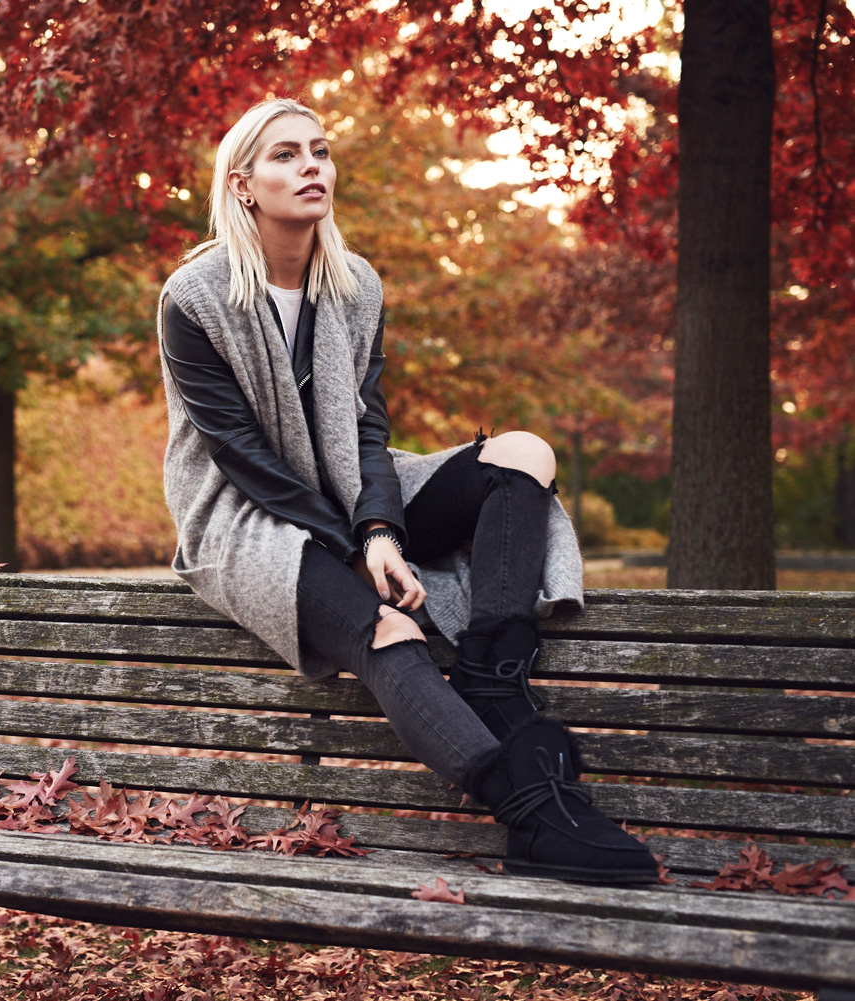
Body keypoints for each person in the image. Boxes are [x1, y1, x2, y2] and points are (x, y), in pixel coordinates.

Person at [157, 98, 657, 884]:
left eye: (320, 150)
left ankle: (493, 672)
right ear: (243, 183)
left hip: (350, 488)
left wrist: (381, 527)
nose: (312, 165)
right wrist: (356, 552)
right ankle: (527, 813)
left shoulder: (355, 284)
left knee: (524, 453)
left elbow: (367, 428)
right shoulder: (194, 298)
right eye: (286, 155)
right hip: (246, 518)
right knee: (391, 631)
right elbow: (244, 457)